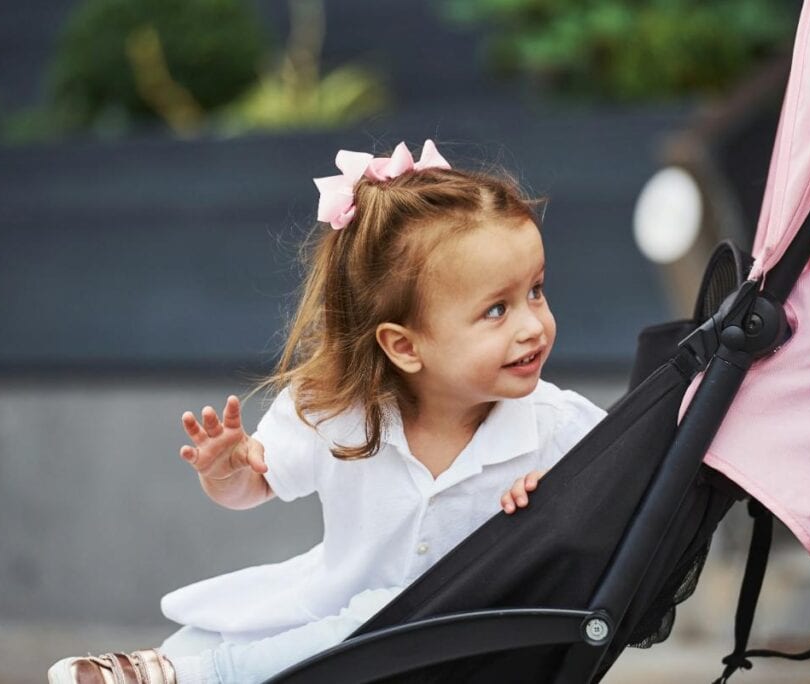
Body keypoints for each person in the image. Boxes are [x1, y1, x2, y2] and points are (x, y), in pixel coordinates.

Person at [48, 139, 606, 684]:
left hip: (456, 648)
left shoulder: (557, 427)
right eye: (496, 310)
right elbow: (256, 488)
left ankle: (206, 676)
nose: (533, 325)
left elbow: (622, 513)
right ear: (404, 346)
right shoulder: (337, 409)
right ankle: (186, 665)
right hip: (330, 618)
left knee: (381, 614)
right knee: (194, 640)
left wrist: (556, 508)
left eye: (536, 290)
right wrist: (229, 471)